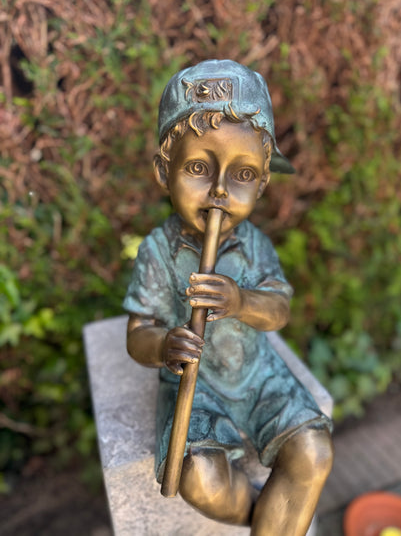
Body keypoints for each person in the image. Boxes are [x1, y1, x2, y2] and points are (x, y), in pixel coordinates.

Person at [123, 60, 333, 535]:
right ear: (164, 170)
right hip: (197, 388)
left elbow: (278, 311)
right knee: (199, 479)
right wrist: (164, 345)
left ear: (262, 183)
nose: (219, 192)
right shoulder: (158, 251)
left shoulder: (255, 244)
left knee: (314, 451)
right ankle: (274, 518)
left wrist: (240, 301)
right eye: (199, 168)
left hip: (258, 375)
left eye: (241, 175)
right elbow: (138, 334)